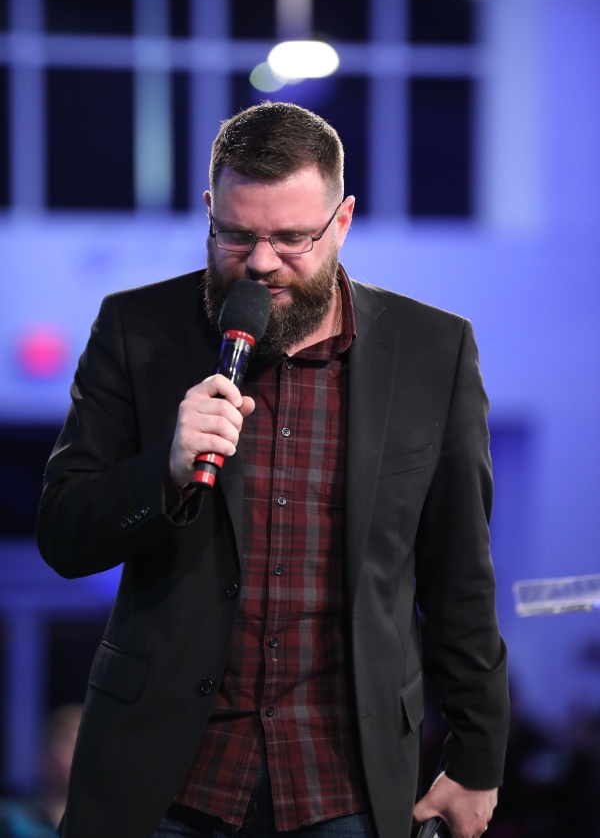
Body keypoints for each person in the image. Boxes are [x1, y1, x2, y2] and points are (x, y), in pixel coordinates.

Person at [36, 101, 509, 838]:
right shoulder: (136, 329)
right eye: (237, 235)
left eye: (291, 238)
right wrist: (165, 472)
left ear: (342, 222)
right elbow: (64, 534)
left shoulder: (432, 351)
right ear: (209, 212)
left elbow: (460, 576)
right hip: (164, 780)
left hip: (343, 783)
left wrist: (477, 758)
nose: (260, 262)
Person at [0, 704, 81, 837]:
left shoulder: (101, 823)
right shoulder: (9, 819)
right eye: (72, 745)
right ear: (45, 756)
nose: (81, 757)